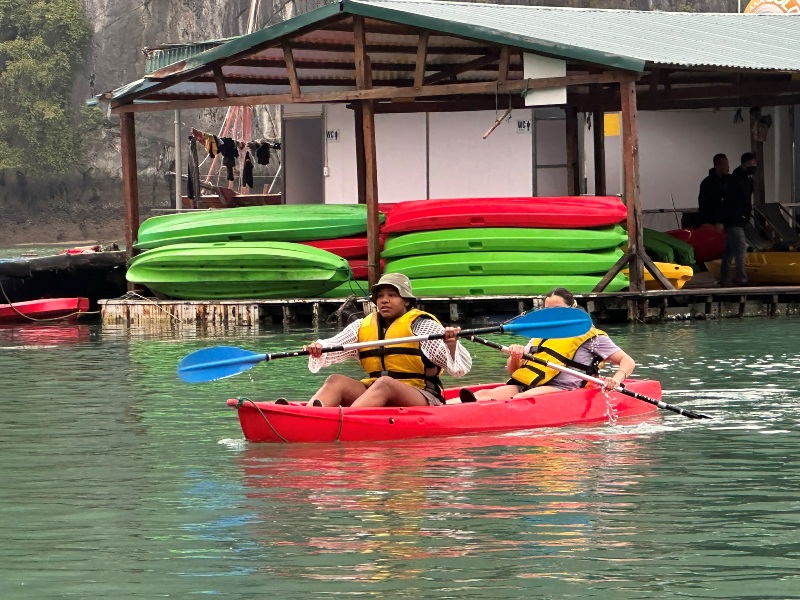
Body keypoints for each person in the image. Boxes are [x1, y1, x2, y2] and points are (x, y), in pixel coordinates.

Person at [299, 272, 472, 408]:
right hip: (376, 390)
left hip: (421, 395)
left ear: (406, 301)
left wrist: (451, 345)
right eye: (380, 296)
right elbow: (334, 345)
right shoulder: (362, 326)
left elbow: (459, 370)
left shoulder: (423, 326)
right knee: (335, 380)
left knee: (385, 384)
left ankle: (344, 421)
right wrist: (319, 347)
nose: (384, 300)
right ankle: (310, 414)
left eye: (392, 295)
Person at [459, 288, 635, 403]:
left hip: (563, 389)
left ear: (571, 308)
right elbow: (513, 372)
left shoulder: (591, 335)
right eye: (547, 309)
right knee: (483, 395)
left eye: (557, 309)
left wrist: (617, 380)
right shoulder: (540, 334)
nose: (552, 314)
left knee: (522, 398)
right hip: (531, 384)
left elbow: (627, 361)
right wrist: (515, 357)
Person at [718, 152, 756, 287]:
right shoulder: (739, 179)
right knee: (740, 247)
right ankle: (741, 278)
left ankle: (725, 279)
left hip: (736, 218)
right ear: (745, 163)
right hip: (735, 218)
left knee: (729, 250)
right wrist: (742, 215)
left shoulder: (744, 177)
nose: (754, 166)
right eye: (752, 163)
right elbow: (737, 199)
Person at [697, 153, 730, 227]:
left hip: (729, 221)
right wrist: (706, 221)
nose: (728, 167)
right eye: (725, 164)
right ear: (717, 166)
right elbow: (703, 203)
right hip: (713, 222)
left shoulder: (730, 180)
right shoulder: (707, 183)